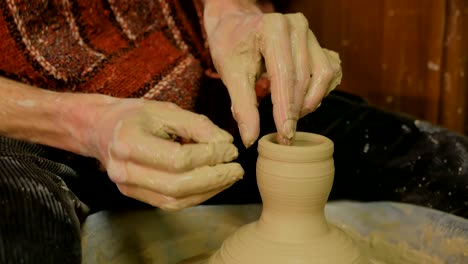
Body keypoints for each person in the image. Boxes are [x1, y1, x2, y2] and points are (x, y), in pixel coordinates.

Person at [0, 0, 342, 263]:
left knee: (383, 145)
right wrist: (84, 123)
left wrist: (230, 11)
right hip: (29, 110)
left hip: (192, 59)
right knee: (23, 232)